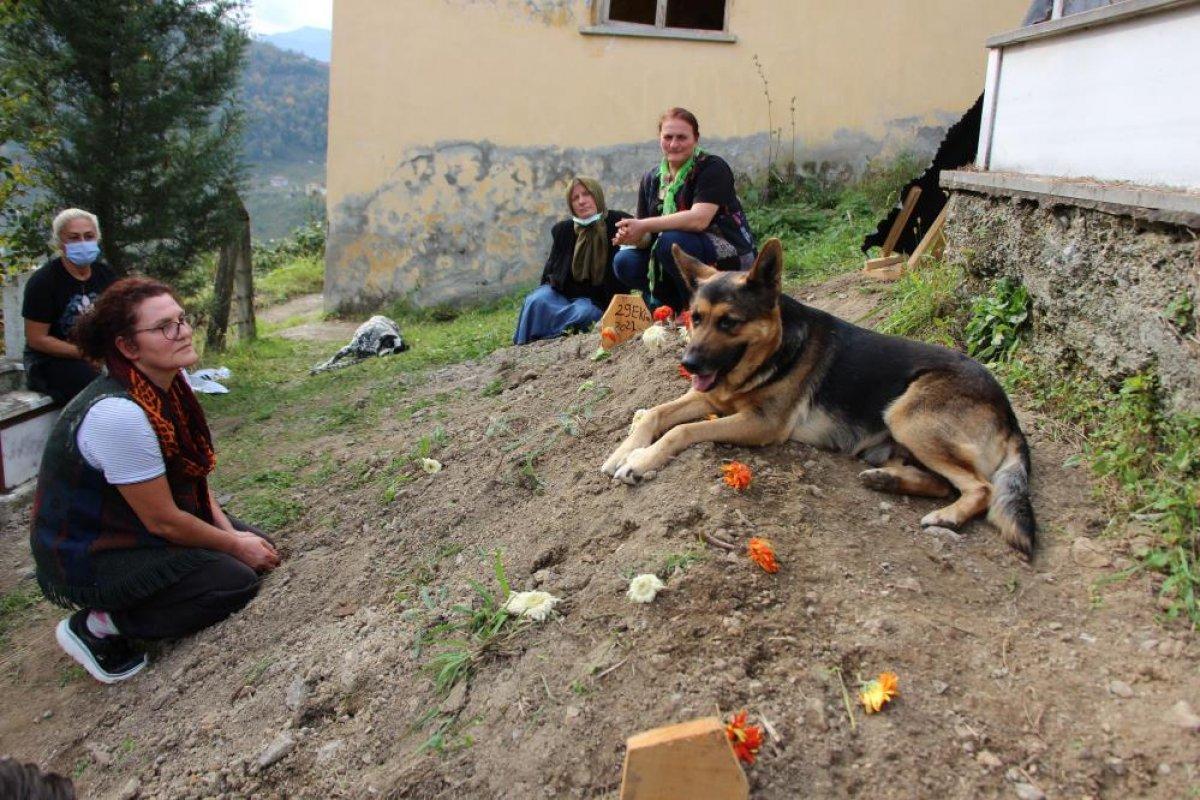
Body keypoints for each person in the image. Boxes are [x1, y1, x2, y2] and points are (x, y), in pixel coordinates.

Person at [29, 278, 281, 684]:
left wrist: (226, 530)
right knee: (232, 583)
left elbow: (192, 476)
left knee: (259, 548)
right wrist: (232, 543)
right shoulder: (118, 413)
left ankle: (192, 569)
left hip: (143, 519)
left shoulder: (171, 383)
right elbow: (162, 521)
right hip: (95, 550)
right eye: (164, 327)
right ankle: (98, 625)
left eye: (181, 319)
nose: (182, 331)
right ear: (128, 347)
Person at [612, 108, 756, 312]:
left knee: (672, 241)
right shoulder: (651, 179)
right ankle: (678, 306)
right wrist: (632, 236)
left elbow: (699, 220)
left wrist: (643, 225)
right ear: (659, 138)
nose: (674, 144)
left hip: (726, 249)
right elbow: (647, 235)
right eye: (668, 137)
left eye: (682, 137)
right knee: (625, 261)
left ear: (696, 138)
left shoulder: (712, 167)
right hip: (672, 252)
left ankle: (699, 306)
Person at [513, 177, 632, 345]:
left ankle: (545, 336)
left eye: (586, 194)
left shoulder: (618, 222)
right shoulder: (563, 230)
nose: (581, 202)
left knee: (585, 314)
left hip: (595, 301)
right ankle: (524, 346)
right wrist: (550, 288)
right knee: (536, 300)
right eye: (575, 198)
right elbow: (550, 272)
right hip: (563, 295)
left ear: (597, 195)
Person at [21, 209, 118, 404]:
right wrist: (86, 353)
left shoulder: (105, 275)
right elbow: (37, 339)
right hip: (53, 359)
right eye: (74, 238)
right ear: (60, 243)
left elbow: (121, 318)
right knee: (97, 387)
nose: (83, 242)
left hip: (98, 353)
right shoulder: (44, 282)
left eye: (89, 236)